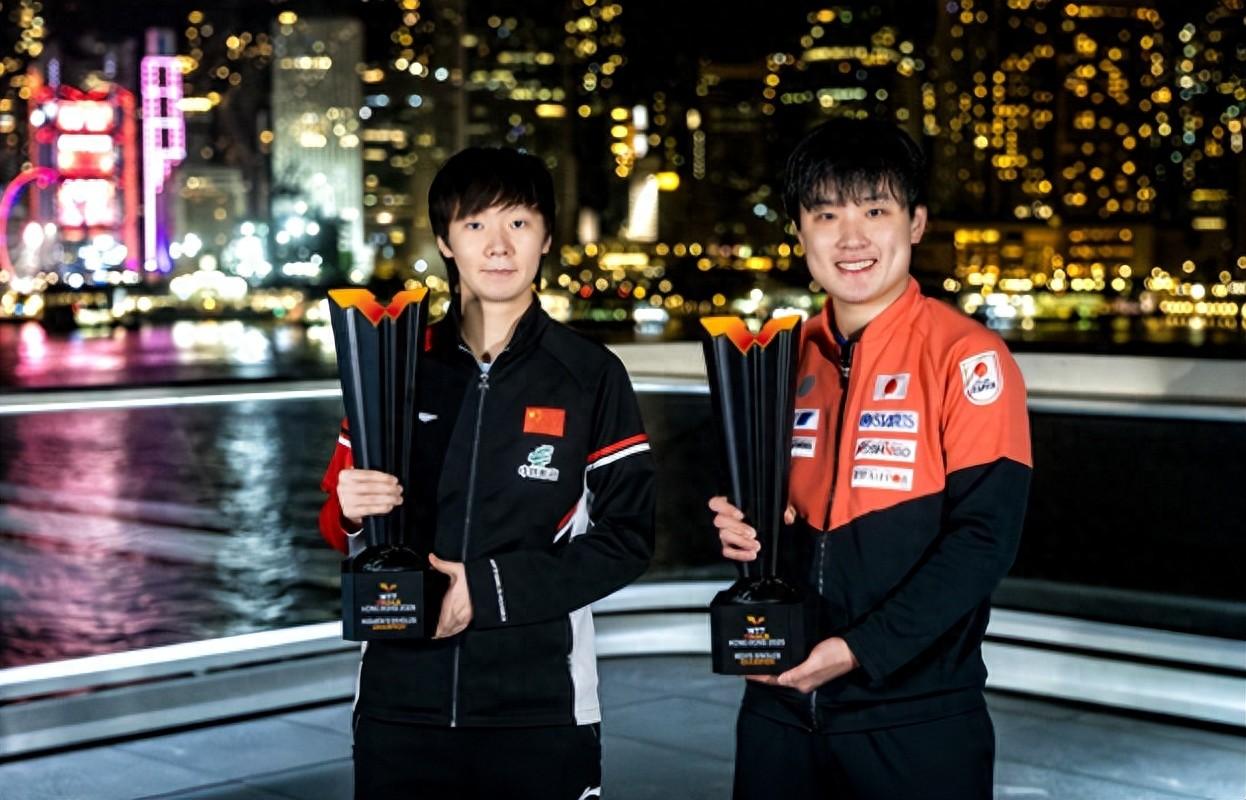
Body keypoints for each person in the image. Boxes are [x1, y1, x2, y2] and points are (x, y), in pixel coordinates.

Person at [319, 146, 656, 799]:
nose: (498, 246)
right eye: (475, 224)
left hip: (540, 708)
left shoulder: (589, 375)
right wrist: (350, 509)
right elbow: (337, 527)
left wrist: (486, 588)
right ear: (446, 241)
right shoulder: (395, 364)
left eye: (519, 223)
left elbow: (628, 540)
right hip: (399, 705)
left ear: (546, 237)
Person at [709, 118, 1032, 799]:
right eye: (826, 215)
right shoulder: (779, 358)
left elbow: (984, 541)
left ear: (916, 223)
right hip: (776, 711)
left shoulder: (968, 357)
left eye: (875, 211)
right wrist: (740, 528)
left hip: (914, 719)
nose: (850, 238)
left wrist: (861, 649)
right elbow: (764, 518)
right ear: (799, 232)